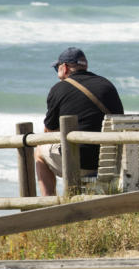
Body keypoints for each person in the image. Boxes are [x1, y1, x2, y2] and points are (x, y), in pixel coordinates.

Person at [35, 47, 124, 196]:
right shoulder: (107, 85)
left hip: (80, 164)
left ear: (65, 67)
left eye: (57, 68)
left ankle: (49, 204)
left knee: (39, 151)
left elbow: (49, 132)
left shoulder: (59, 89)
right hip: (109, 162)